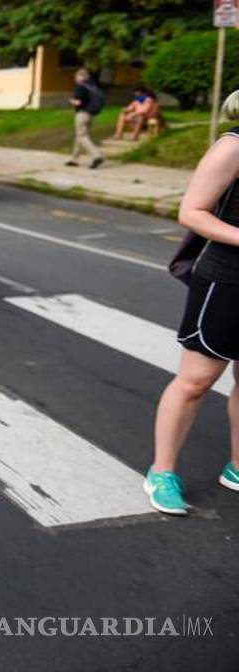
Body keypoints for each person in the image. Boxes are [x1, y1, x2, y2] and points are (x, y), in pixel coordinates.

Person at [146, 89, 239, 515]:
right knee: (196, 381)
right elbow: (193, 211)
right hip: (227, 280)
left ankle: (237, 467)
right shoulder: (232, 146)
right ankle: (162, 472)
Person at [67, 68, 104, 169]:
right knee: (80, 136)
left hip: (82, 114)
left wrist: (70, 101)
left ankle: (97, 156)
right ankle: (74, 159)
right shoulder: (92, 87)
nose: (75, 79)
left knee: (82, 136)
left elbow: (78, 102)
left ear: (80, 77)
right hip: (91, 115)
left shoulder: (80, 87)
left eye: (76, 76)